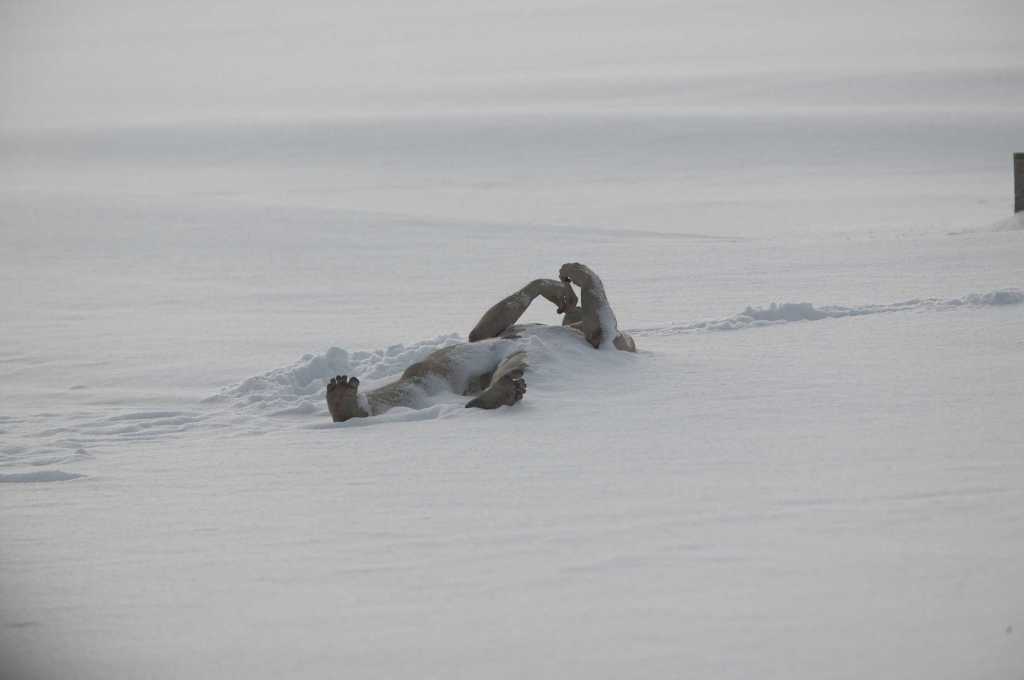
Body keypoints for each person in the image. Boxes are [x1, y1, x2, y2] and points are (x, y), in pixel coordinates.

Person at [326, 262, 636, 422]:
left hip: (530, 355)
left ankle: (498, 391)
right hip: (485, 349)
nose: (574, 312)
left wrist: (590, 281)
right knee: (426, 372)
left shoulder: (606, 342)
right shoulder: (534, 327)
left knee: (517, 364)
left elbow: (600, 331)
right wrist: (536, 288)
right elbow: (482, 332)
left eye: (583, 310)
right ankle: (364, 407)